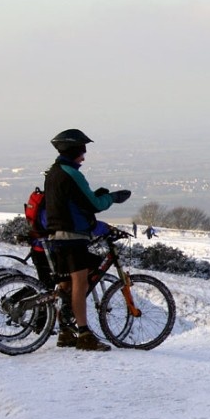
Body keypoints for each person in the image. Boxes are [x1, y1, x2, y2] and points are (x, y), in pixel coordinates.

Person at [44, 129, 131, 351]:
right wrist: (112, 197)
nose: (83, 156)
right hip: (73, 236)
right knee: (79, 284)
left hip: (56, 235)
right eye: (82, 152)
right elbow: (94, 205)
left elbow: (75, 200)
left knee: (65, 285)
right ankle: (84, 335)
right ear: (74, 150)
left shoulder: (54, 172)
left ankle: (65, 332)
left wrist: (96, 195)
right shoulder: (72, 173)